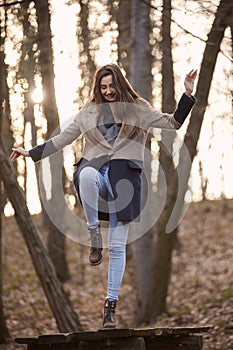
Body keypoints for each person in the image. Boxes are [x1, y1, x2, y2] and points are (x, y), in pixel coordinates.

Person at [11, 63, 197, 329]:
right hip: (97, 177)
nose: (108, 91)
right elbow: (63, 138)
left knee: (119, 247)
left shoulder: (137, 107)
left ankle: (110, 309)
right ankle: (94, 233)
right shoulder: (88, 112)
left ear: (119, 84)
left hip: (125, 183)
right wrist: (31, 152)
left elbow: (173, 123)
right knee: (84, 175)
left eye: (112, 86)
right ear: (98, 87)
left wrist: (187, 95)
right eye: (103, 87)